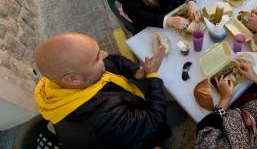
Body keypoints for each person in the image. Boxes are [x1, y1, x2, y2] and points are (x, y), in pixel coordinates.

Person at [34, 33, 170, 149]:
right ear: (73, 79)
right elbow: (154, 121)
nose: (105, 55)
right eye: (97, 58)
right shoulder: (102, 118)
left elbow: (112, 61)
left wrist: (135, 71)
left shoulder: (66, 79)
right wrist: (152, 76)